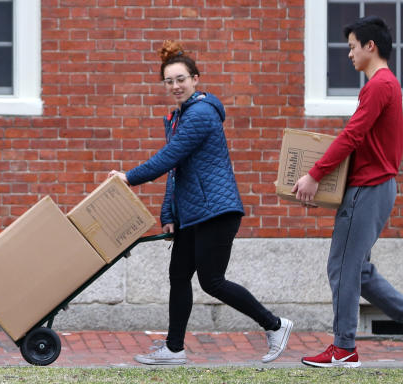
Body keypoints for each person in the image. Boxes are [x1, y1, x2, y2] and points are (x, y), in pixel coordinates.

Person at [109, 40, 293, 366]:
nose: (175, 86)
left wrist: (129, 177)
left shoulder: (201, 114)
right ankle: (174, 349)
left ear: (196, 79)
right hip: (194, 213)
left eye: (181, 79)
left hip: (216, 212)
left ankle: (275, 325)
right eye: (169, 81)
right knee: (179, 276)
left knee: (212, 282)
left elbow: (169, 158)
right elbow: (179, 169)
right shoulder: (181, 117)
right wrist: (169, 213)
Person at [293, 16, 403, 368]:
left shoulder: (378, 85)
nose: (349, 54)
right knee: (357, 271)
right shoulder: (387, 84)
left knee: (342, 266)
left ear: (370, 46)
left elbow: (351, 136)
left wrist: (315, 175)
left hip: (369, 187)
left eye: (352, 46)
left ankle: (344, 348)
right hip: (376, 187)